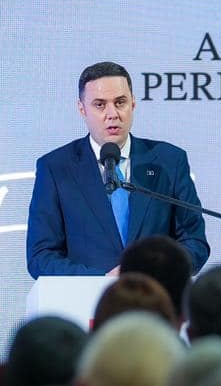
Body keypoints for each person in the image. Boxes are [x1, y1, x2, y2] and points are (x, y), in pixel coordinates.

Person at [26, 61, 209, 278]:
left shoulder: (169, 160)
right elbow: (41, 257)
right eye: (100, 105)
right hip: (87, 297)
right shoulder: (55, 168)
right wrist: (102, 280)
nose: (112, 114)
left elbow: (194, 242)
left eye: (120, 102)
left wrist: (156, 271)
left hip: (156, 293)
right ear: (82, 109)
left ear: (133, 104)